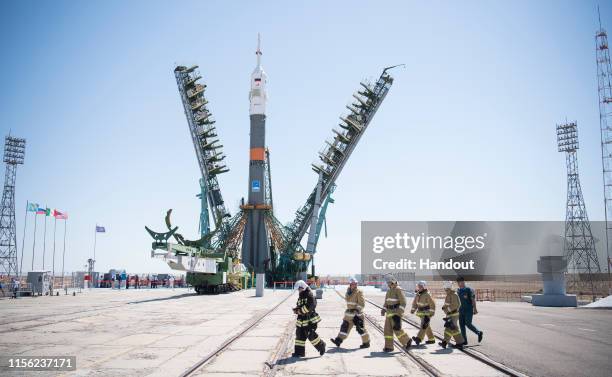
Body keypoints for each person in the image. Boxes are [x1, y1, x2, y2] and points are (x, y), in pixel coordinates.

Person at [330, 277, 370, 349]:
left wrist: (357, 310)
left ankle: (366, 343)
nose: (354, 285)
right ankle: (338, 340)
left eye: (355, 284)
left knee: (361, 329)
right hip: (349, 314)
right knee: (345, 327)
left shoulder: (359, 292)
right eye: (353, 284)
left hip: (357, 315)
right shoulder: (348, 291)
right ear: (350, 284)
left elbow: (362, 303)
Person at [292, 280, 326, 357]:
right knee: (299, 335)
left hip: (310, 320)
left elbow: (311, 305)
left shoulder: (309, 294)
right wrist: (296, 310)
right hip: (302, 320)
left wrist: (300, 311)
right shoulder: (301, 295)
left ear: (303, 287)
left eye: (299, 289)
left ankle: (321, 346)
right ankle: (299, 352)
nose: (298, 290)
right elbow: (300, 305)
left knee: (310, 335)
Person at [381, 275, 410, 352]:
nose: (387, 283)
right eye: (387, 282)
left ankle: (407, 341)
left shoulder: (398, 289)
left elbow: (403, 302)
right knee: (387, 331)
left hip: (395, 314)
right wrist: (383, 309)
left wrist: (399, 314)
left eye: (388, 282)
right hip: (389, 314)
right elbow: (386, 302)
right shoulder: (389, 290)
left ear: (392, 281)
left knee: (397, 330)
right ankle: (389, 347)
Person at [456, 276, 483, 345]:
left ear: (463, 282)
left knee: (468, 324)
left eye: (460, 282)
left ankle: (478, 332)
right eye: (458, 283)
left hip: (468, 309)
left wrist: (475, 309)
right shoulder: (458, 290)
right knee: (461, 325)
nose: (459, 284)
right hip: (460, 310)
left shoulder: (469, 290)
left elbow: (473, 300)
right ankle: (464, 341)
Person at [439, 281, 465, 349]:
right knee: (453, 328)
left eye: (445, 288)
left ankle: (445, 342)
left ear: (447, 288)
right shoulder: (452, 294)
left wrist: (447, 310)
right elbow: (456, 304)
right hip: (453, 314)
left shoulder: (451, 295)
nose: (444, 289)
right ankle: (459, 342)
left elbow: (452, 305)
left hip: (452, 314)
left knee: (450, 328)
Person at [410, 280, 436, 345]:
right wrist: (413, 309)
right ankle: (431, 339)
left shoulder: (427, 294)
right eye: (419, 286)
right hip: (421, 313)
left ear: (424, 287)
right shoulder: (418, 294)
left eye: (421, 286)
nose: (419, 288)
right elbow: (415, 303)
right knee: (427, 326)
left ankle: (419, 338)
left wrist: (431, 314)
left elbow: (432, 304)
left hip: (427, 313)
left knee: (423, 326)